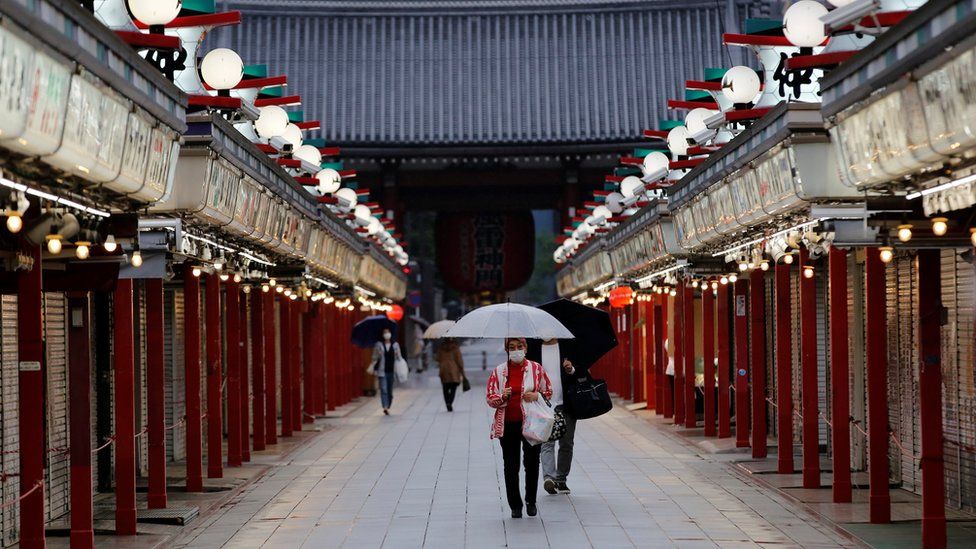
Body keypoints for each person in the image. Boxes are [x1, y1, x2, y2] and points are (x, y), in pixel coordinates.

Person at [486, 338, 552, 518]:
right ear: (507, 349)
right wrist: (502, 396)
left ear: (526, 348)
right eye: (512, 347)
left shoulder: (536, 369)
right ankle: (515, 504)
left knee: (531, 463)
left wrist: (536, 395)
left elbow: (548, 391)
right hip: (508, 424)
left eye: (519, 347)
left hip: (532, 423)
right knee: (511, 465)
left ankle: (531, 500)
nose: (516, 351)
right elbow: (490, 398)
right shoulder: (499, 372)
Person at [536, 339, 578, 495]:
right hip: (544, 404)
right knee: (546, 442)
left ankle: (561, 479)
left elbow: (581, 371)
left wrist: (571, 370)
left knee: (567, 443)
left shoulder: (568, 346)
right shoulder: (534, 348)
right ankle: (549, 478)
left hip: (566, 403)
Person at [370, 328, 403, 415]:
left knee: (390, 391)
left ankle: (388, 404)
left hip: (392, 371)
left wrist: (396, 354)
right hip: (382, 371)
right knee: (383, 389)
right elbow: (374, 357)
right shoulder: (379, 345)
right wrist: (378, 356)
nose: (386, 334)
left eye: (388, 332)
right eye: (385, 332)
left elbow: (399, 358)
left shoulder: (395, 345)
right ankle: (385, 406)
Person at [435, 339, 466, 412]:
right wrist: (462, 372)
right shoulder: (455, 348)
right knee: (453, 387)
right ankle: (450, 402)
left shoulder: (441, 348)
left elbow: (437, 359)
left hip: (443, 370)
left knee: (445, 388)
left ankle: (447, 403)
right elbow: (459, 361)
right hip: (454, 370)